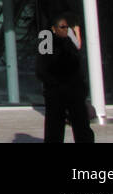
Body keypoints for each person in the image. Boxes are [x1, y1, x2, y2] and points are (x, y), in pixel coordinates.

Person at [37, 14, 94, 144]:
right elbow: (42, 67)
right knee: (54, 125)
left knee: (81, 124)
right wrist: (52, 84)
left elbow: (78, 64)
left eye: (66, 27)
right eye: (62, 27)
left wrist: (81, 87)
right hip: (56, 90)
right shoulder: (46, 40)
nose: (65, 30)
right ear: (53, 28)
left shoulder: (69, 41)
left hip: (73, 89)